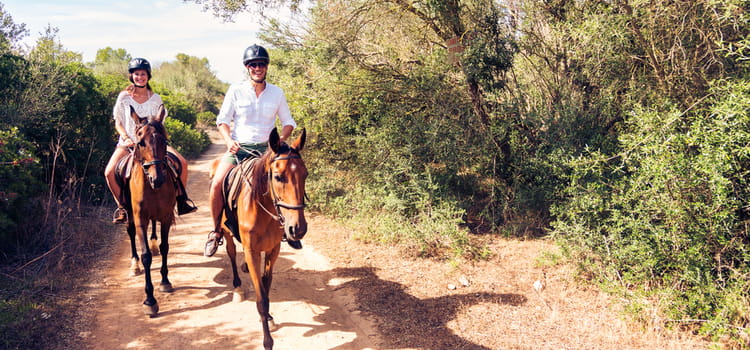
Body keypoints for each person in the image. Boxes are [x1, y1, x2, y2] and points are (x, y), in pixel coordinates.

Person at [204, 44, 300, 257]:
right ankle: (216, 231)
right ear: (247, 67)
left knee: (288, 182)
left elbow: (288, 122)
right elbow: (222, 121)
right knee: (217, 184)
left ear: (266, 67)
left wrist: (279, 141)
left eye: (261, 64)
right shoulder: (235, 90)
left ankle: (286, 229)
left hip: (267, 152)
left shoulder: (277, 92)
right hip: (239, 148)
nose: (258, 68)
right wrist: (229, 141)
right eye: (253, 64)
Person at [104, 57, 197, 224]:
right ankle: (123, 207)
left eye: (143, 74)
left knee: (182, 163)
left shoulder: (156, 99)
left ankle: (181, 200)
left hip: (153, 144)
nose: (140, 77)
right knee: (109, 172)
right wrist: (125, 137)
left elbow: (160, 124)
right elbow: (118, 121)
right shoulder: (123, 97)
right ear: (131, 76)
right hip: (129, 143)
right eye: (136, 74)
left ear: (148, 76)